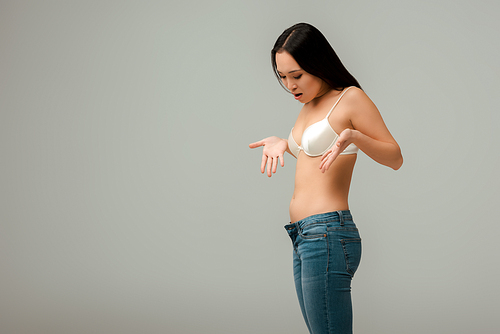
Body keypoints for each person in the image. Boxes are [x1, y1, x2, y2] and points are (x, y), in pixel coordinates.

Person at [249, 23, 403, 334]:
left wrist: (355, 136)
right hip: (302, 235)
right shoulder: (307, 106)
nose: (290, 85)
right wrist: (284, 143)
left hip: (327, 234)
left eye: (297, 75)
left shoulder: (349, 98)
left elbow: (395, 157)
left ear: (318, 64)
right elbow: (314, 155)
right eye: (283, 77)